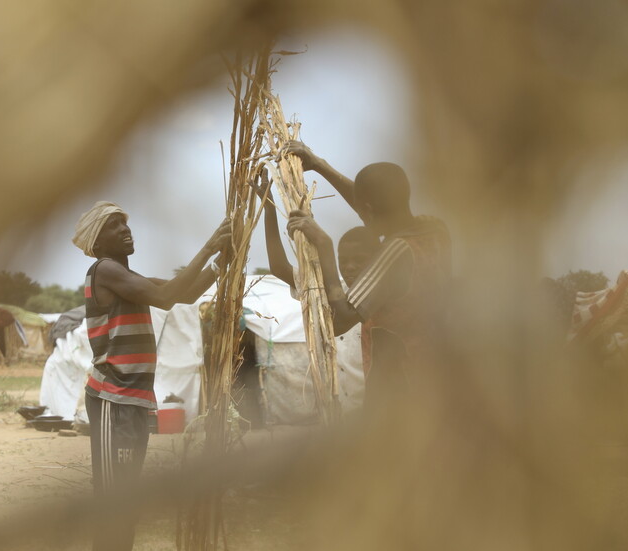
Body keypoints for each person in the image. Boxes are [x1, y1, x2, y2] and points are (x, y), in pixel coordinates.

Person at [72, 201, 230, 551]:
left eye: (125, 223)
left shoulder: (127, 279)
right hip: (113, 398)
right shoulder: (104, 270)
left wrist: (222, 262)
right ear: (96, 242)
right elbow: (165, 296)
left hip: (131, 399)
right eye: (114, 225)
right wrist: (210, 246)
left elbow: (184, 294)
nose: (125, 229)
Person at [281, 143, 452, 419]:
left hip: (400, 395)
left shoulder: (395, 253)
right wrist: (320, 165)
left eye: (362, 211)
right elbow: (377, 208)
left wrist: (325, 245)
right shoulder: (436, 231)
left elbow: (340, 321)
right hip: (439, 380)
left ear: (369, 210)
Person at [255, 167, 380, 413]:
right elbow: (279, 268)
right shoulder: (331, 286)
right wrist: (269, 208)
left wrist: (324, 244)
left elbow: (342, 321)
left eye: (359, 260)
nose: (350, 266)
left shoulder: (382, 294)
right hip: (341, 414)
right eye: (344, 260)